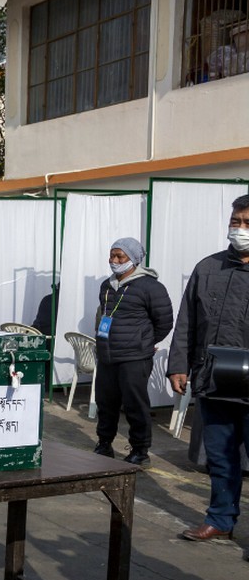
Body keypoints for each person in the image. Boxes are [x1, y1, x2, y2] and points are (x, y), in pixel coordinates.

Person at [168, 195, 249, 545]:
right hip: (214, 381)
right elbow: (187, 322)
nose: (240, 229)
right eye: (236, 221)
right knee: (219, 457)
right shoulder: (208, 268)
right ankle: (220, 518)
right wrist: (178, 366)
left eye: (247, 223)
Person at [91, 238, 172, 466]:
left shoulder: (150, 287)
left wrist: (145, 342)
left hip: (134, 357)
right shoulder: (107, 286)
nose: (114, 261)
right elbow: (102, 316)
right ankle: (104, 443)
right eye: (112, 255)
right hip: (108, 355)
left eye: (120, 256)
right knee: (105, 403)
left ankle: (140, 450)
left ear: (134, 259)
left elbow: (164, 322)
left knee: (135, 404)